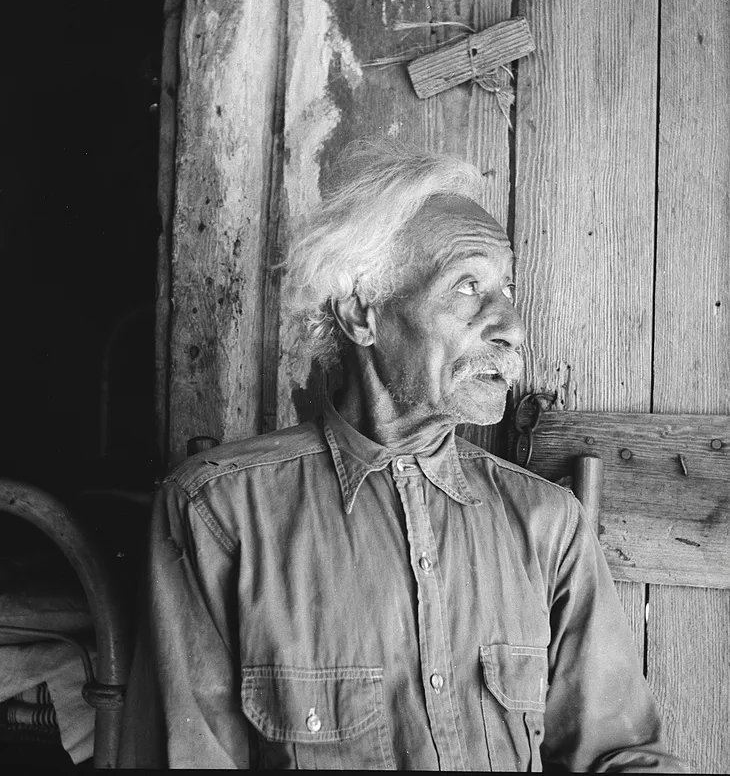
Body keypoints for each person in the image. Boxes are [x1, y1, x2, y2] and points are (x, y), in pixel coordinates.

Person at [118, 140, 685, 771]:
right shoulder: (218, 513)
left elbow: (622, 754)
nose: (512, 326)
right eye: (468, 285)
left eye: (506, 286)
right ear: (362, 313)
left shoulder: (548, 523)